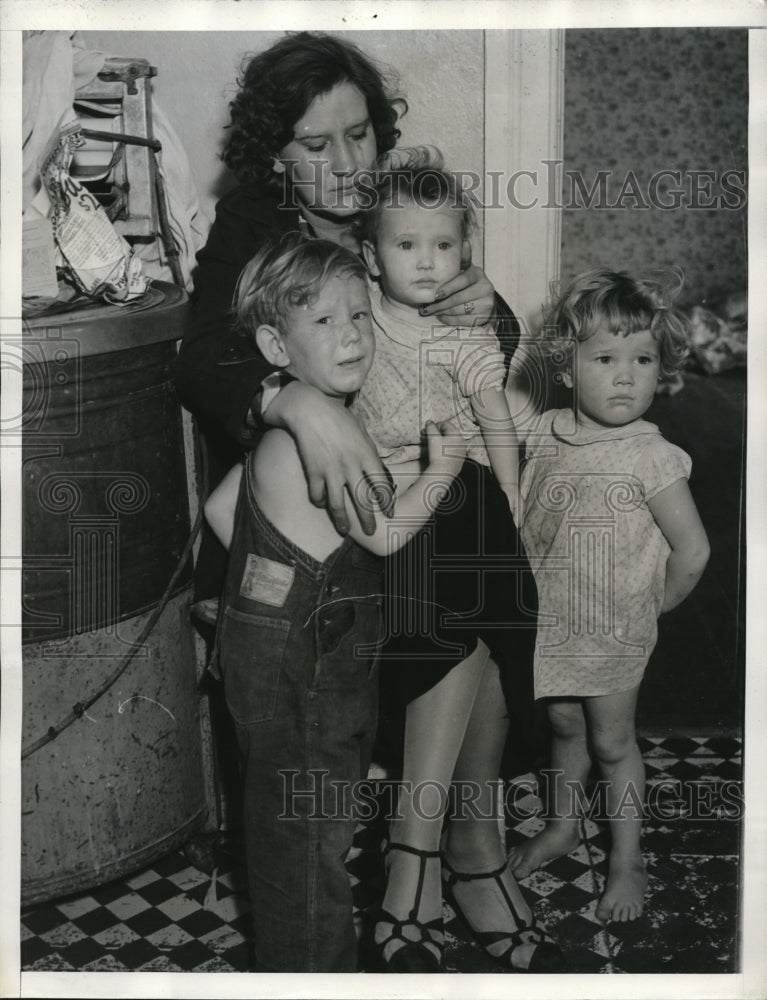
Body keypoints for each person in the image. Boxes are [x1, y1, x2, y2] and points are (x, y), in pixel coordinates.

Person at [204, 234, 467, 972]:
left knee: (287, 825)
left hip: (267, 653)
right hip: (310, 667)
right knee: (309, 849)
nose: (350, 333)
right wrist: (440, 473)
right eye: (322, 322)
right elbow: (383, 537)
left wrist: (266, 584)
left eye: (358, 316)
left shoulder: (284, 427)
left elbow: (226, 511)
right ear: (273, 345)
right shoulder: (331, 431)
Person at [174, 30, 502, 605]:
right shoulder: (248, 222)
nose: (351, 165)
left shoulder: (402, 207)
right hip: (306, 492)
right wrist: (295, 403)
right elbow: (204, 356)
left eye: (358, 135)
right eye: (317, 146)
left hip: (420, 461)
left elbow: (490, 348)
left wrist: (484, 304)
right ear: (277, 155)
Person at [352, 163, 563, 973]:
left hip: (461, 507)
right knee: (460, 537)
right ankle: (450, 849)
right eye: (407, 244)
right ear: (372, 257)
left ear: (465, 249)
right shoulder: (361, 318)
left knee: (475, 511)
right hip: (392, 509)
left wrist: (512, 502)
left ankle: (430, 851)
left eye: (444, 244)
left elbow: (494, 420)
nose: (428, 261)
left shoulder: (464, 332)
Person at [506, 269, 710, 923]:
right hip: (552, 621)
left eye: (641, 359)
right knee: (562, 723)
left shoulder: (651, 458)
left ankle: (626, 859)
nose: (625, 376)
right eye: (603, 358)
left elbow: (693, 550)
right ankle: (563, 824)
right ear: (564, 369)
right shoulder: (542, 434)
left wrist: (651, 608)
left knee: (612, 743)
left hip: (616, 626)